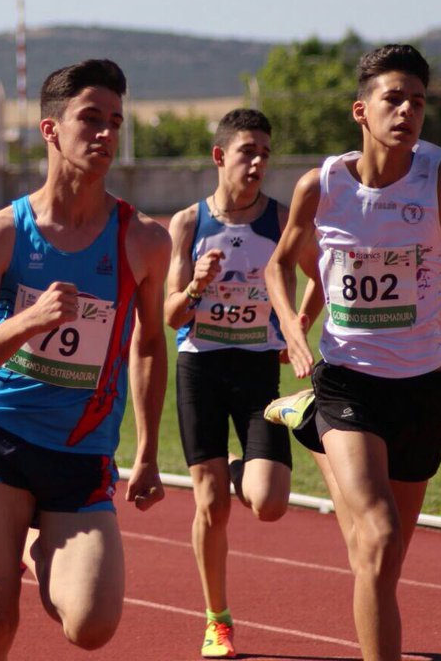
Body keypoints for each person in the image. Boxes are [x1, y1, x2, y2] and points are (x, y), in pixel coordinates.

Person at [263, 44, 441, 661]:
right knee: (381, 536)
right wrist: (290, 325)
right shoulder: (323, 186)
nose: (408, 110)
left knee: (379, 563)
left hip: (424, 390)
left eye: (418, 100)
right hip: (348, 382)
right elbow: (278, 264)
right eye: (394, 98)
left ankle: (304, 418)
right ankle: (319, 415)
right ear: (361, 110)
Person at [0, 59, 171, 660]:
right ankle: (22, 530)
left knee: (91, 626)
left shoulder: (143, 240)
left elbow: (149, 344)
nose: (104, 134)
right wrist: (29, 321)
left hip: (81, 452)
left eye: (115, 122)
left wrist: (147, 451)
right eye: (89, 119)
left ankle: (38, 541)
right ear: (51, 129)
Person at [165, 108, 323, 658]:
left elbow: (319, 275)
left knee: (269, 503)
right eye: (246, 152)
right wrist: (194, 288)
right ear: (219, 156)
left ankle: (241, 470)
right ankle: (218, 620)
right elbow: (169, 315)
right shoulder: (187, 223)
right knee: (210, 504)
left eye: (264, 153)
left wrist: (294, 327)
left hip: (258, 369)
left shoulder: (280, 219)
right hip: (201, 367)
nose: (257, 162)